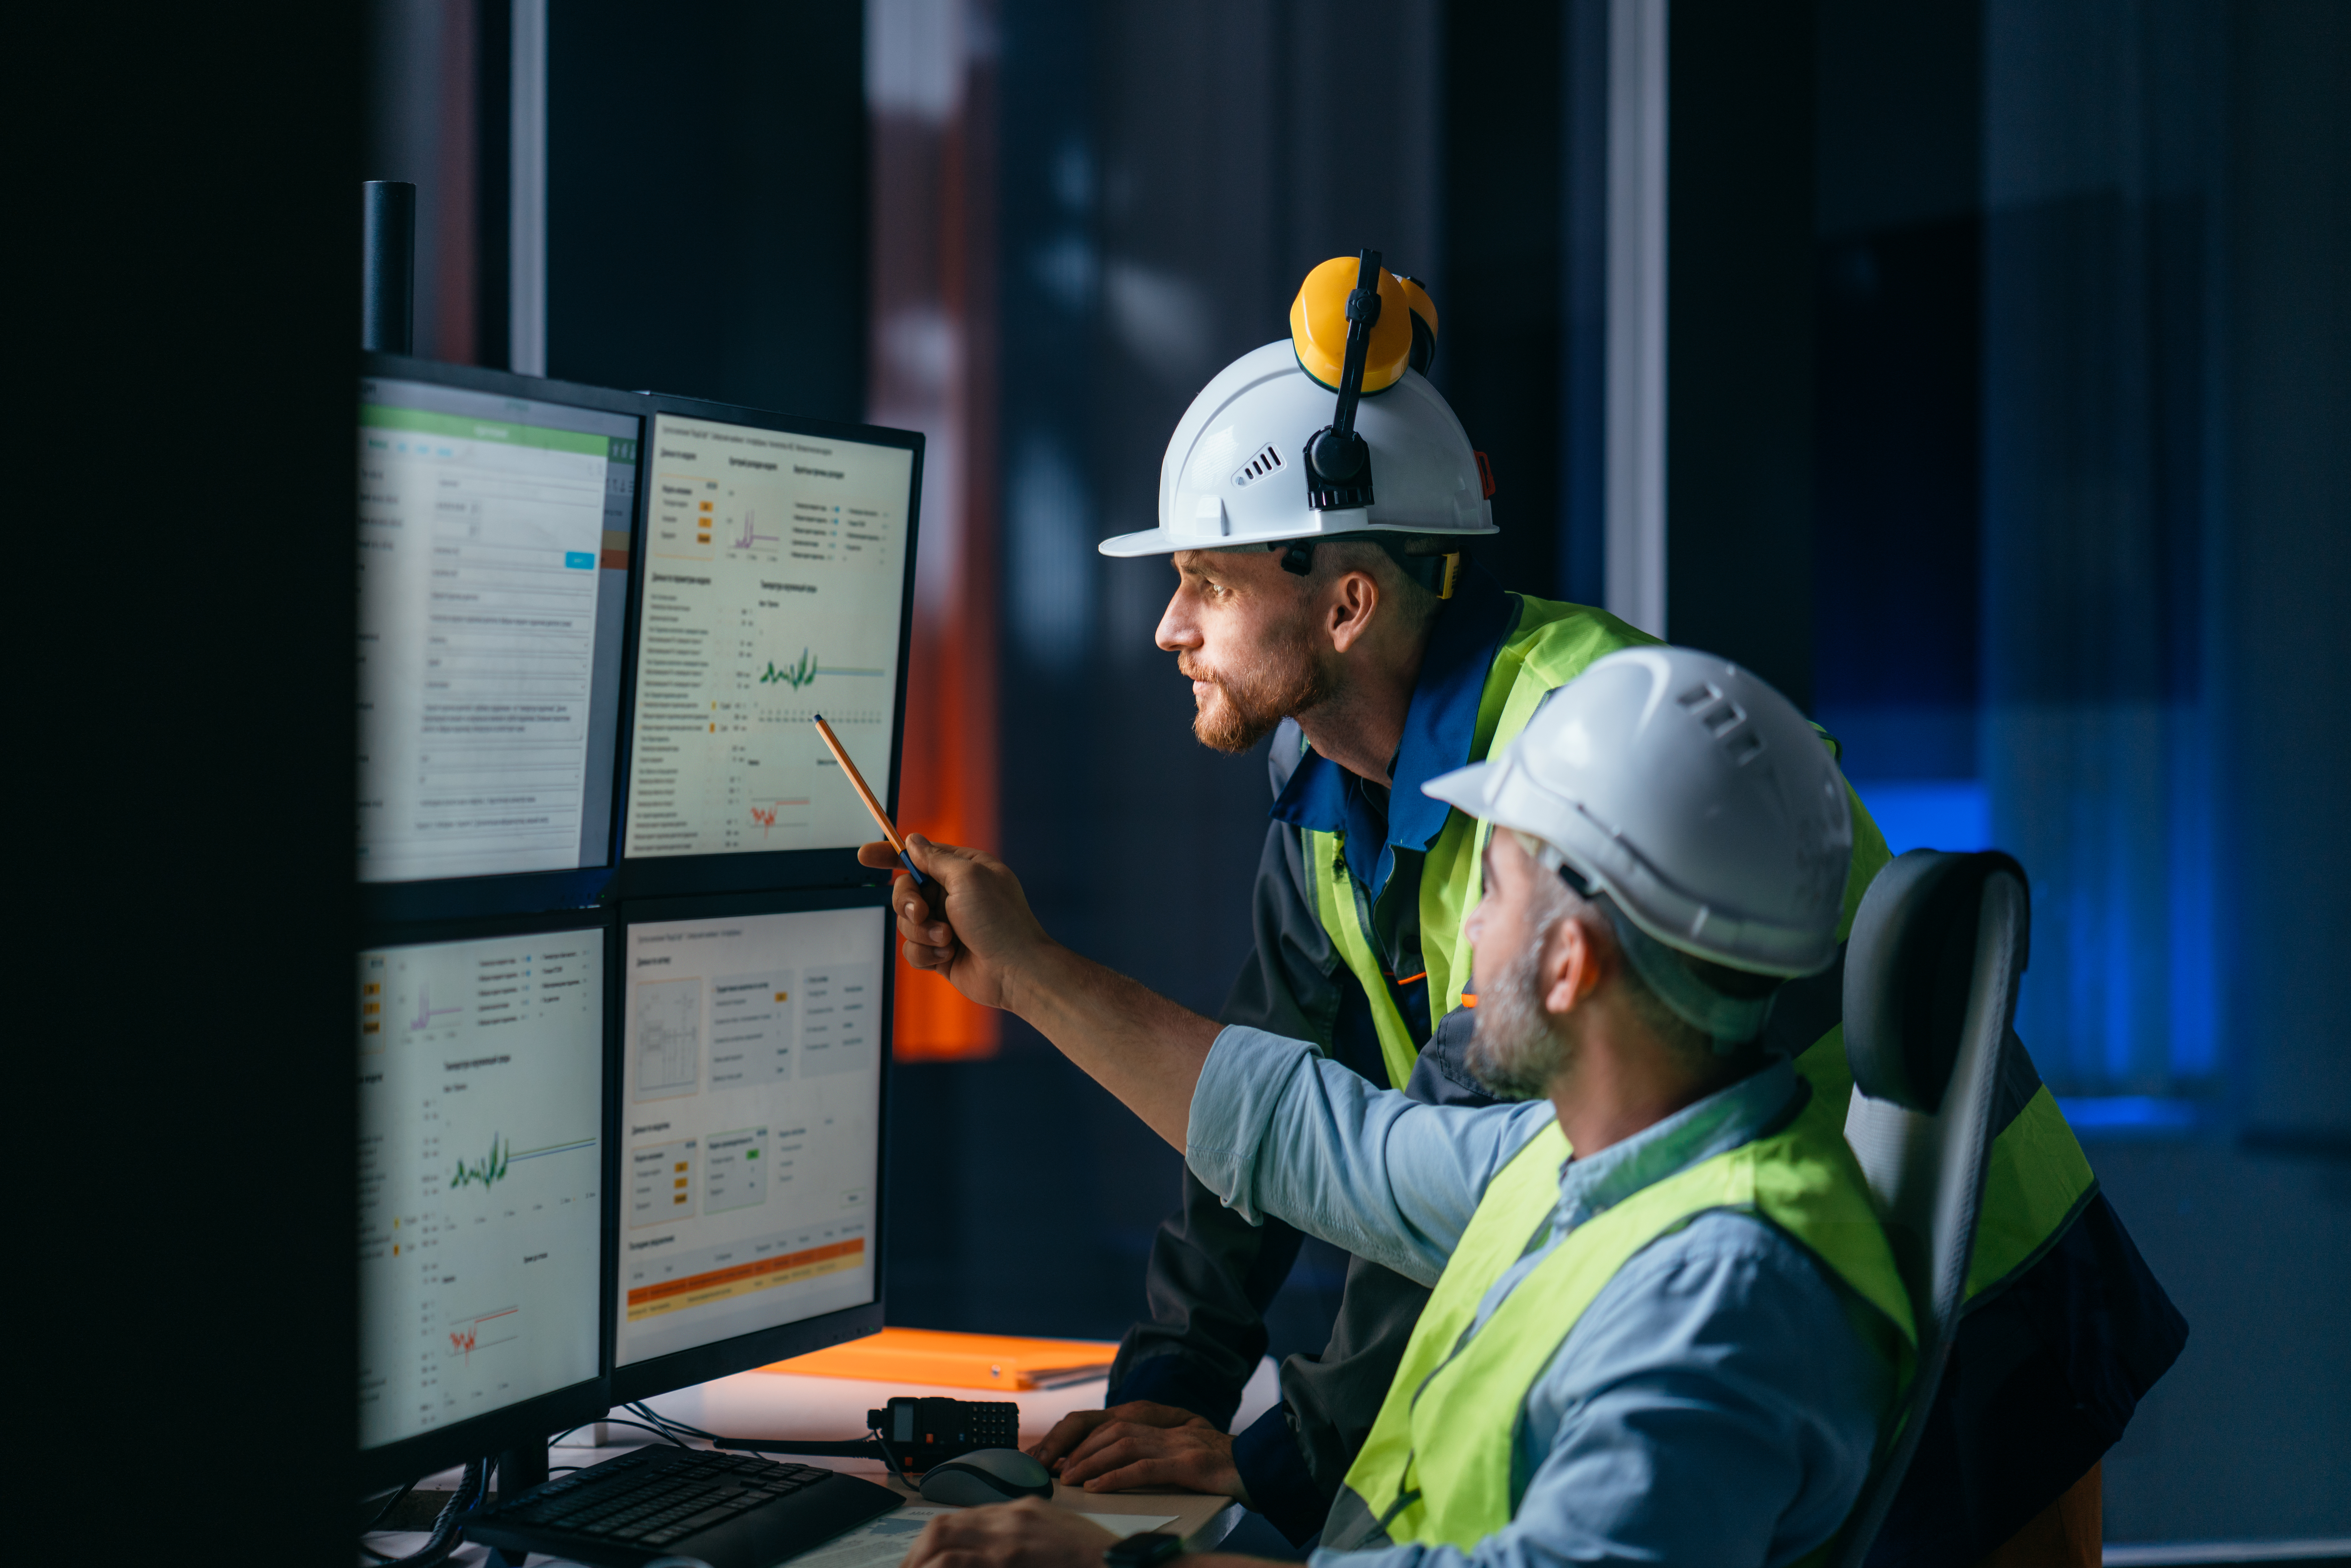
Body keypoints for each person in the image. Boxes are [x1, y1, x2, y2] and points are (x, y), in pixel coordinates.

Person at [1025, 257, 2184, 1566]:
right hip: (1730, 1268)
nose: (1169, 627)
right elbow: (1291, 1112)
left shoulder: (1588, 757)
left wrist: (1273, 1464)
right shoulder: (1329, 773)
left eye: (1208, 582)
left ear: (1346, 604)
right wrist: (1177, 1384)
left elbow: (1442, 1193)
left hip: (1957, 1280)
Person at [872, 647, 1914, 1568]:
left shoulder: (1724, 1299)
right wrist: (1025, 972)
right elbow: (1320, 1142)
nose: (1467, 926)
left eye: (1492, 888)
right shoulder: (1592, 1160)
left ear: (1567, 964)